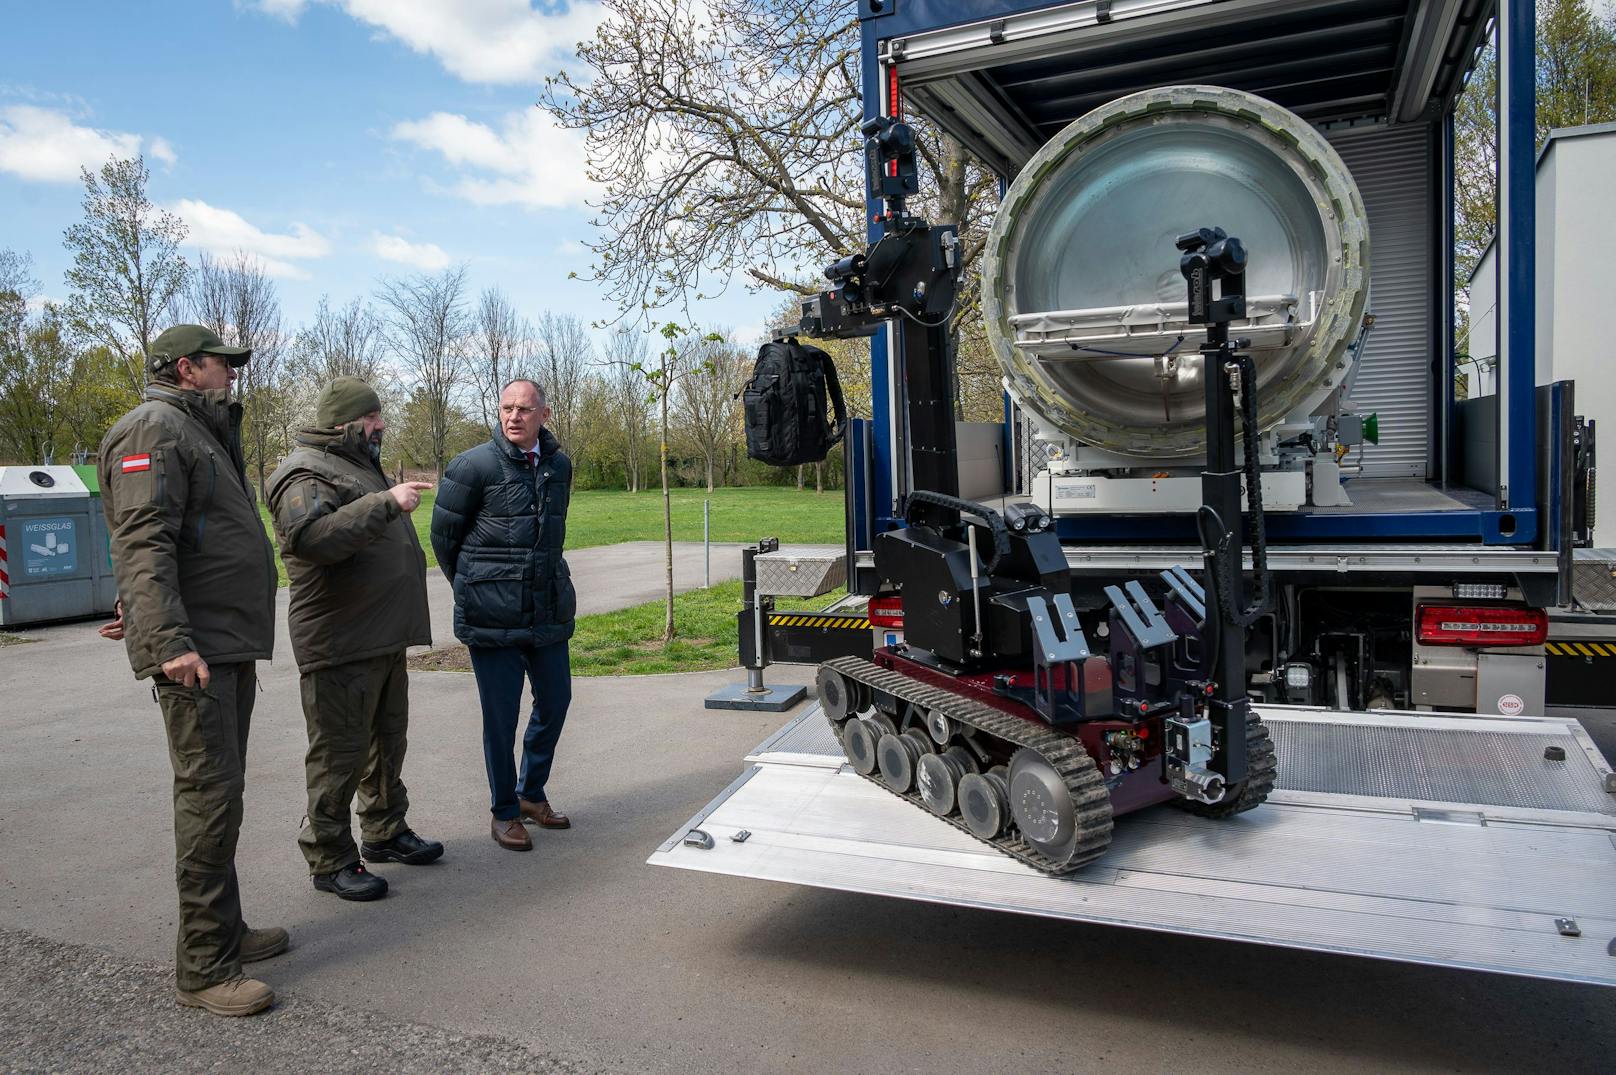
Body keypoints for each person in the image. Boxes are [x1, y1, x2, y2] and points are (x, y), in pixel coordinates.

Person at [97, 324, 281, 1017]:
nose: (231, 373)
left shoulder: (196, 427)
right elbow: (143, 540)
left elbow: (184, 538)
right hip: (194, 652)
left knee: (223, 796)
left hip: (223, 644)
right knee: (207, 799)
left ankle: (224, 928)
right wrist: (167, 638)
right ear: (186, 368)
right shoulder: (154, 428)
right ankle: (203, 965)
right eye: (221, 364)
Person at [266, 377, 443, 901]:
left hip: (380, 638)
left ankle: (385, 831)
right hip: (339, 641)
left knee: (387, 746)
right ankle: (329, 858)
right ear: (346, 422)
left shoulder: (356, 464)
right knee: (337, 757)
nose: (381, 426)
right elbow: (312, 540)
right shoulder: (303, 471)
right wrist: (386, 503)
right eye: (372, 418)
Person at [430, 379, 576, 852]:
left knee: (555, 702)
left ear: (545, 415)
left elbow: (553, 532)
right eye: (506, 408)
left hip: (546, 608)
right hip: (491, 616)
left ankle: (531, 795)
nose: (514, 416)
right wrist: (477, 588)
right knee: (501, 717)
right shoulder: (472, 466)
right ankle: (504, 811)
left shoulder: (559, 466)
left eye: (524, 409)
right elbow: (444, 540)